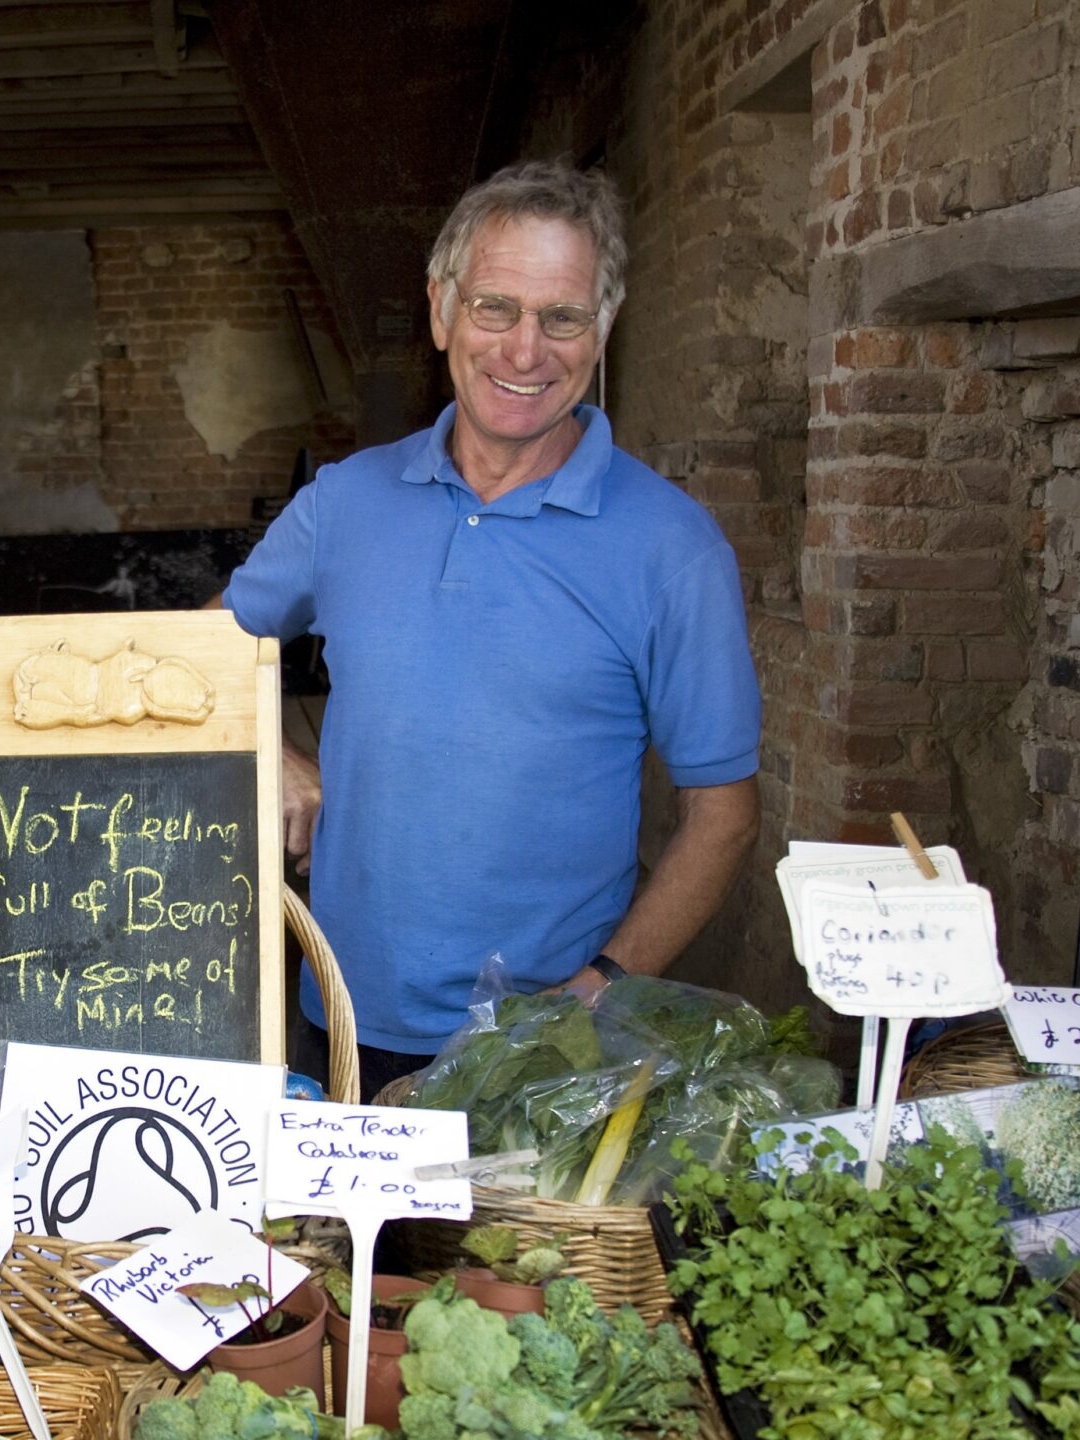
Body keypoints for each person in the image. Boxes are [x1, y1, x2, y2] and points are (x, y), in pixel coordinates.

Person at [217, 159, 762, 1101]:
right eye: (496, 309)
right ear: (440, 311)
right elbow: (198, 656)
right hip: (341, 1021)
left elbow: (723, 813)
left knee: (517, 1259)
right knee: (349, 1255)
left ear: (603, 330)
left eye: (564, 317)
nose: (525, 351)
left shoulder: (672, 547)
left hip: (546, 1052)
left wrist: (604, 990)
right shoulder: (345, 503)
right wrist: (272, 747)